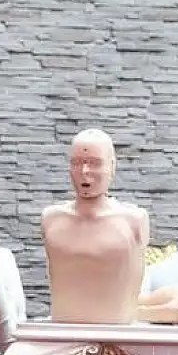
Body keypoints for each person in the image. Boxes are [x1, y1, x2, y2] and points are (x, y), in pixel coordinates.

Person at [42, 128, 150, 324]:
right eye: (77, 163)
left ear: (112, 166)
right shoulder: (51, 219)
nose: (85, 172)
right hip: (61, 333)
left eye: (94, 163)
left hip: (119, 335)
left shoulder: (134, 220)